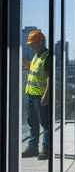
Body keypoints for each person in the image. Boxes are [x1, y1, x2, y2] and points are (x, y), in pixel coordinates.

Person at [21, 30, 50, 160]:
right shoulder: (37, 55)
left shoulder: (47, 56)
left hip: (40, 96)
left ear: (39, 42)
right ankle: (33, 147)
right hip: (31, 94)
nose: (30, 46)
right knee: (32, 121)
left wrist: (46, 95)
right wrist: (20, 59)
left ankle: (46, 149)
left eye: (32, 43)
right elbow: (31, 68)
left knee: (45, 123)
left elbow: (50, 77)